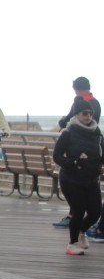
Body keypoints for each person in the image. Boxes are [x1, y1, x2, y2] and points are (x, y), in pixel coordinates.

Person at [53, 98, 103, 255]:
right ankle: (72, 243)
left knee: (95, 211)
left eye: (90, 113)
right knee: (78, 210)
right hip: (71, 178)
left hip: (91, 178)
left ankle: (82, 231)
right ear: (77, 115)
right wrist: (74, 162)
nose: (88, 116)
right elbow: (57, 156)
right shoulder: (68, 133)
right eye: (84, 113)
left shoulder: (97, 132)